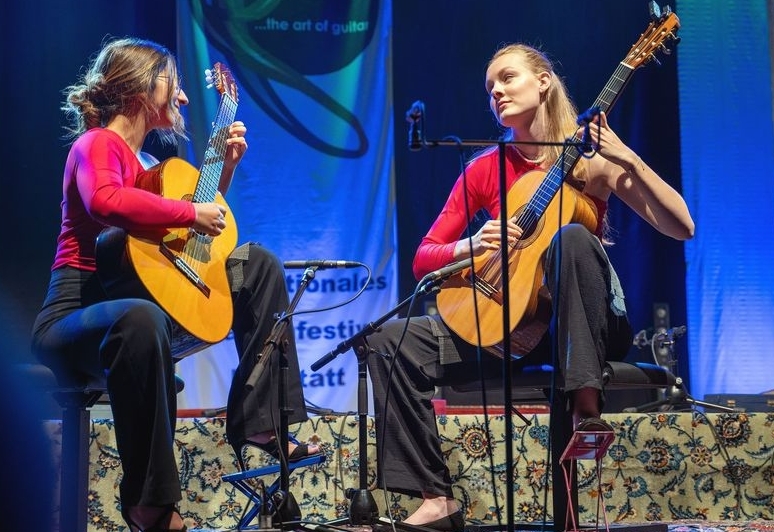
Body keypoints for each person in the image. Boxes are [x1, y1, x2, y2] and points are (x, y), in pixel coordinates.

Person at [366, 42, 694, 530]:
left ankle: (585, 408)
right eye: (489, 86)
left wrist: (626, 156)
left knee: (573, 237)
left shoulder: (592, 161)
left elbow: (681, 226)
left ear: (543, 81)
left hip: (582, 318)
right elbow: (422, 258)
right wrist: (471, 245)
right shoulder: (484, 167)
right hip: (510, 320)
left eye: (507, 77)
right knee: (390, 341)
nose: (496, 91)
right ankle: (436, 497)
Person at [31, 37, 319, 532]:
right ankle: (149, 502)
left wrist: (222, 176)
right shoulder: (97, 145)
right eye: (174, 84)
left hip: (141, 313)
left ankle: (263, 422)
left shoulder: (149, 169)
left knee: (258, 265)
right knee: (139, 318)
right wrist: (191, 209)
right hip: (78, 316)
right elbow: (106, 203)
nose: (182, 98)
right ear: (141, 86)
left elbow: (186, 241)